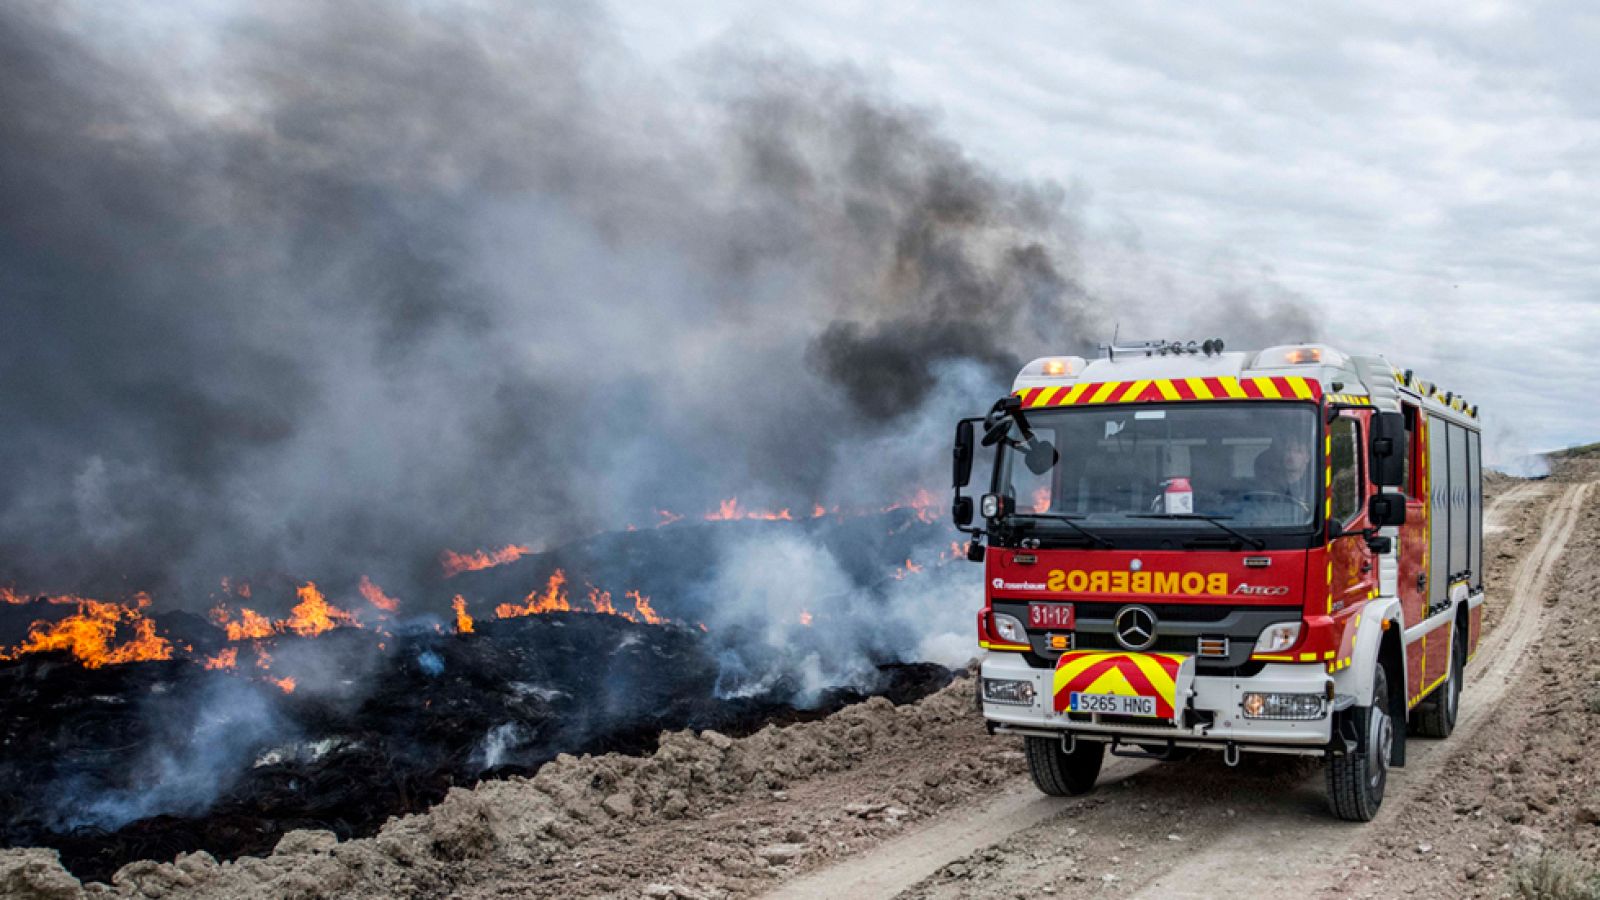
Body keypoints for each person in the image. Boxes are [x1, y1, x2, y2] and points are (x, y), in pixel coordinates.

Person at [1253, 432, 1315, 500]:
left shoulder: (1313, 487)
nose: (1291, 454)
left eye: (1298, 451)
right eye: (1288, 449)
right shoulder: (1269, 485)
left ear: (1307, 457)